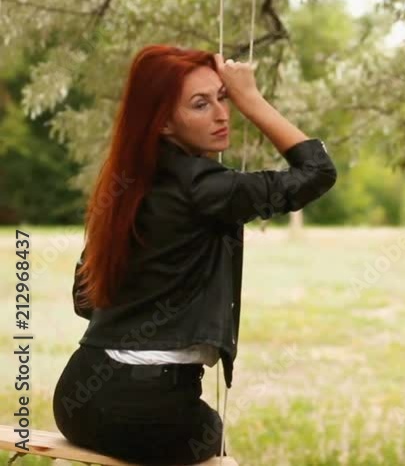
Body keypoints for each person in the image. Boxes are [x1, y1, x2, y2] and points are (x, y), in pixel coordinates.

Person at [52, 44, 337, 464]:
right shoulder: (204, 186)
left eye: (224, 98)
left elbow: (85, 301)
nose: (223, 114)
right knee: (213, 440)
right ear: (164, 123)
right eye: (200, 104)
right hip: (147, 405)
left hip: (77, 397)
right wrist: (251, 98)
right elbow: (317, 172)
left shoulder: (127, 182)